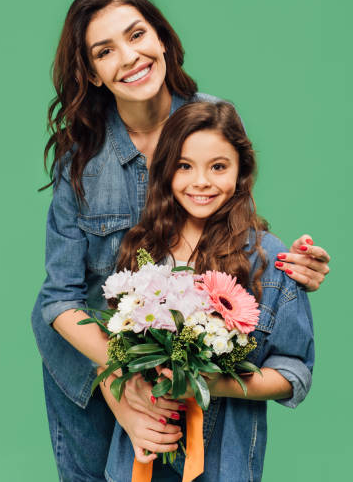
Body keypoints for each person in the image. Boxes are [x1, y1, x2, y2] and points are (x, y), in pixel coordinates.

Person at [31, 0, 329, 482]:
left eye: (137, 34)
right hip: (88, 363)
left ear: (162, 37)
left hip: (184, 366)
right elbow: (58, 298)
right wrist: (121, 384)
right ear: (92, 73)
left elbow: (232, 222)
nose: (129, 57)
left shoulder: (210, 118)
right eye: (105, 51)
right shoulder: (80, 162)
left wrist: (293, 269)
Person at [105, 101, 314, 482]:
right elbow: (111, 351)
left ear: (241, 171)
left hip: (223, 465)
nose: (201, 181)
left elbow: (295, 372)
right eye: (185, 166)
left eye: (218, 166)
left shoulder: (267, 260)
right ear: (165, 169)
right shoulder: (140, 249)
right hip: (140, 456)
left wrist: (211, 382)